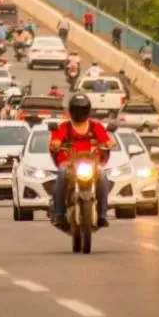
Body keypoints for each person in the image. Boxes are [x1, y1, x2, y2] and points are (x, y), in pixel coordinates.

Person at [50, 94, 111, 231]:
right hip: (70, 164)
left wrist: (107, 144)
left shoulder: (96, 126)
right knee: (61, 173)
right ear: (71, 110)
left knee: (102, 175)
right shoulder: (64, 127)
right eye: (76, 109)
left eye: (82, 109)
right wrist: (57, 143)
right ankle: (59, 214)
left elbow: (108, 141)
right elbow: (55, 141)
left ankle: (102, 214)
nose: (79, 113)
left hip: (91, 164)